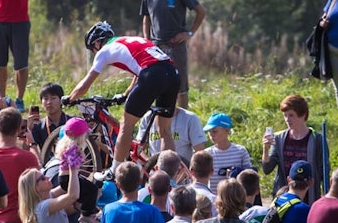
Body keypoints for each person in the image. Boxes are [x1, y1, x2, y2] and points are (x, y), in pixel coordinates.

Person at [68, 21, 179, 176]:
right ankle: (171, 175)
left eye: (92, 49)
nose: (94, 53)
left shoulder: (104, 51)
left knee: (125, 124)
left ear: (97, 42)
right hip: (173, 73)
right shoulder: (130, 40)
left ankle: (114, 170)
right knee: (165, 130)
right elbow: (141, 66)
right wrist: (127, 93)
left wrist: (69, 99)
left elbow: (84, 85)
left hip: (153, 75)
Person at [139, 0, 206, 109]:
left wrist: (189, 33)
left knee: (181, 85)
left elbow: (201, 11)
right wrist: (147, 42)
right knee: (157, 83)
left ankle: (182, 120)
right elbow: (146, 19)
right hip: (156, 48)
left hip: (176, 46)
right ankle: (161, 118)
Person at [261, 94, 329, 204]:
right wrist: (265, 149)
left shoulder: (317, 140)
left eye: (291, 115)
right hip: (284, 199)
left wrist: (327, 199)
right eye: (285, 115)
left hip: (309, 198)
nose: (287, 119)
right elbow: (267, 169)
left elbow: (324, 172)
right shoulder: (279, 138)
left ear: (303, 115)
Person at [203, 113, 252, 193]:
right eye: (209, 132)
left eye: (215, 131)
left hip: (236, 197)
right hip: (215, 199)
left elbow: (249, 177)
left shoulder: (240, 151)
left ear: (227, 130)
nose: (211, 135)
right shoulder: (207, 154)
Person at [141, 106, 206, 167]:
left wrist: (186, 171)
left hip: (182, 173)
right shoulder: (148, 118)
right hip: (155, 173)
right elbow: (139, 149)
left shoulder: (190, 118)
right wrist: (149, 163)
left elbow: (200, 151)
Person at [27, 82, 70, 157]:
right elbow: (26, 150)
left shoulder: (71, 122)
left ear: (61, 100)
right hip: (49, 166)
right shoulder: (39, 126)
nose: (49, 102)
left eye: (53, 98)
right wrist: (28, 130)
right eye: (45, 99)